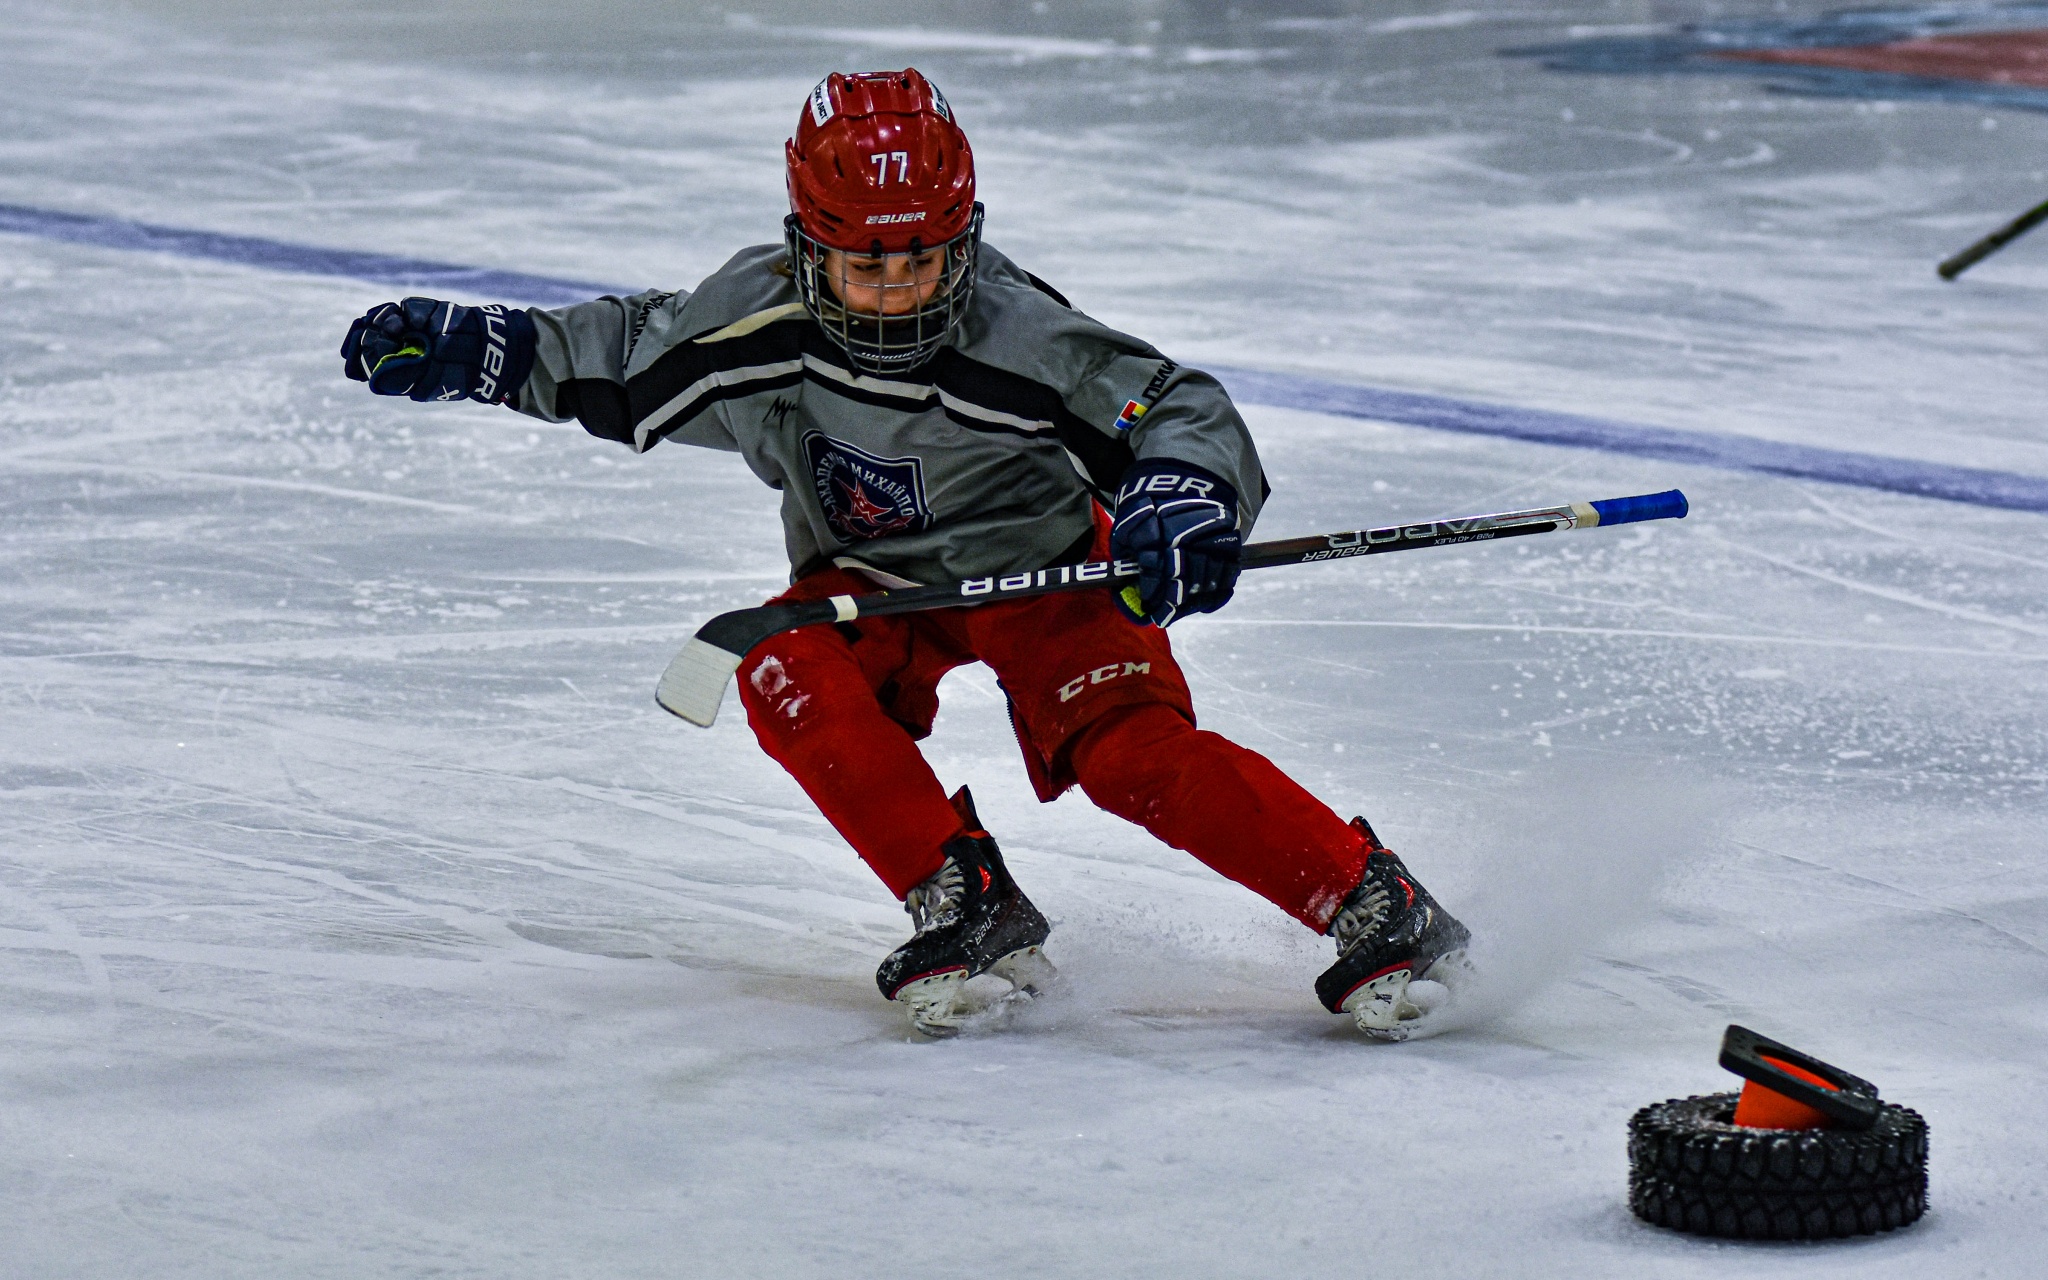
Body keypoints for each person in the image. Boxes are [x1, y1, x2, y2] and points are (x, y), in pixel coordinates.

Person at [339, 69, 1470, 1038]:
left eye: (921, 263)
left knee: (1131, 755)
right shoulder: (755, 323)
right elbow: (616, 355)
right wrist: (478, 348)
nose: (891, 294)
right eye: (858, 265)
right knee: (782, 663)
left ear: (965, 237)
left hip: (1050, 577)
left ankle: (1373, 903)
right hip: (875, 589)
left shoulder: (1019, 337)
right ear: (803, 245)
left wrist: (1182, 493)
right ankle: (962, 902)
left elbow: (1170, 408)